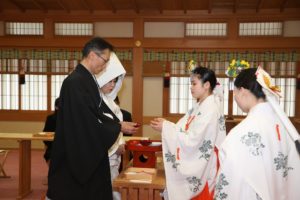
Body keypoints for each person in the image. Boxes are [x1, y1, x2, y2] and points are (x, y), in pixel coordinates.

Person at [46, 37, 138, 200]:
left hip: (86, 148)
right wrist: (118, 127)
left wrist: (117, 124)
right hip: (76, 152)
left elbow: (98, 114)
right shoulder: (75, 82)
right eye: (105, 60)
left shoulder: (87, 80)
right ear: (92, 55)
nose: (105, 66)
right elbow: (84, 121)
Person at [214, 67, 300, 200]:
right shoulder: (287, 128)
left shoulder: (239, 134)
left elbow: (230, 182)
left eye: (235, 93)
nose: (235, 98)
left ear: (242, 91)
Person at [150, 66, 226, 200]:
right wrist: (166, 125)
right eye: (191, 83)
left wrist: (166, 128)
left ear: (207, 85)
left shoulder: (211, 109)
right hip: (199, 159)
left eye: (194, 83)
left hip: (205, 163)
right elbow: (183, 128)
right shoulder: (199, 106)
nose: (191, 87)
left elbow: (195, 139)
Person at [96, 52, 127, 200]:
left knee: (114, 188)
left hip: (115, 155)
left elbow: (117, 128)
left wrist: (120, 143)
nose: (112, 85)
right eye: (109, 81)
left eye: (115, 81)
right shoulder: (96, 102)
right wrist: (115, 146)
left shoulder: (112, 103)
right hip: (103, 155)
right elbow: (99, 129)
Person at [42, 98, 59, 166]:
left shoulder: (69, 118)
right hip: (53, 145)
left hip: (67, 145)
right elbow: (45, 133)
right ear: (56, 107)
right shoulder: (50, 118)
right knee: (50, 153)